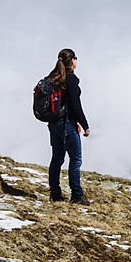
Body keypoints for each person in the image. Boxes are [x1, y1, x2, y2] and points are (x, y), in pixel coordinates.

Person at [45, 47, 92, 205]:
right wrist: (84, 125)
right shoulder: (70, 79)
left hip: (53, 124)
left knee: (57, 158)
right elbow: (75, 104)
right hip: (67, 124)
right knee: (76, 159)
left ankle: (55, 193)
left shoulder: (53, 78)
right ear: (72, 61)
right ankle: (77, 195)